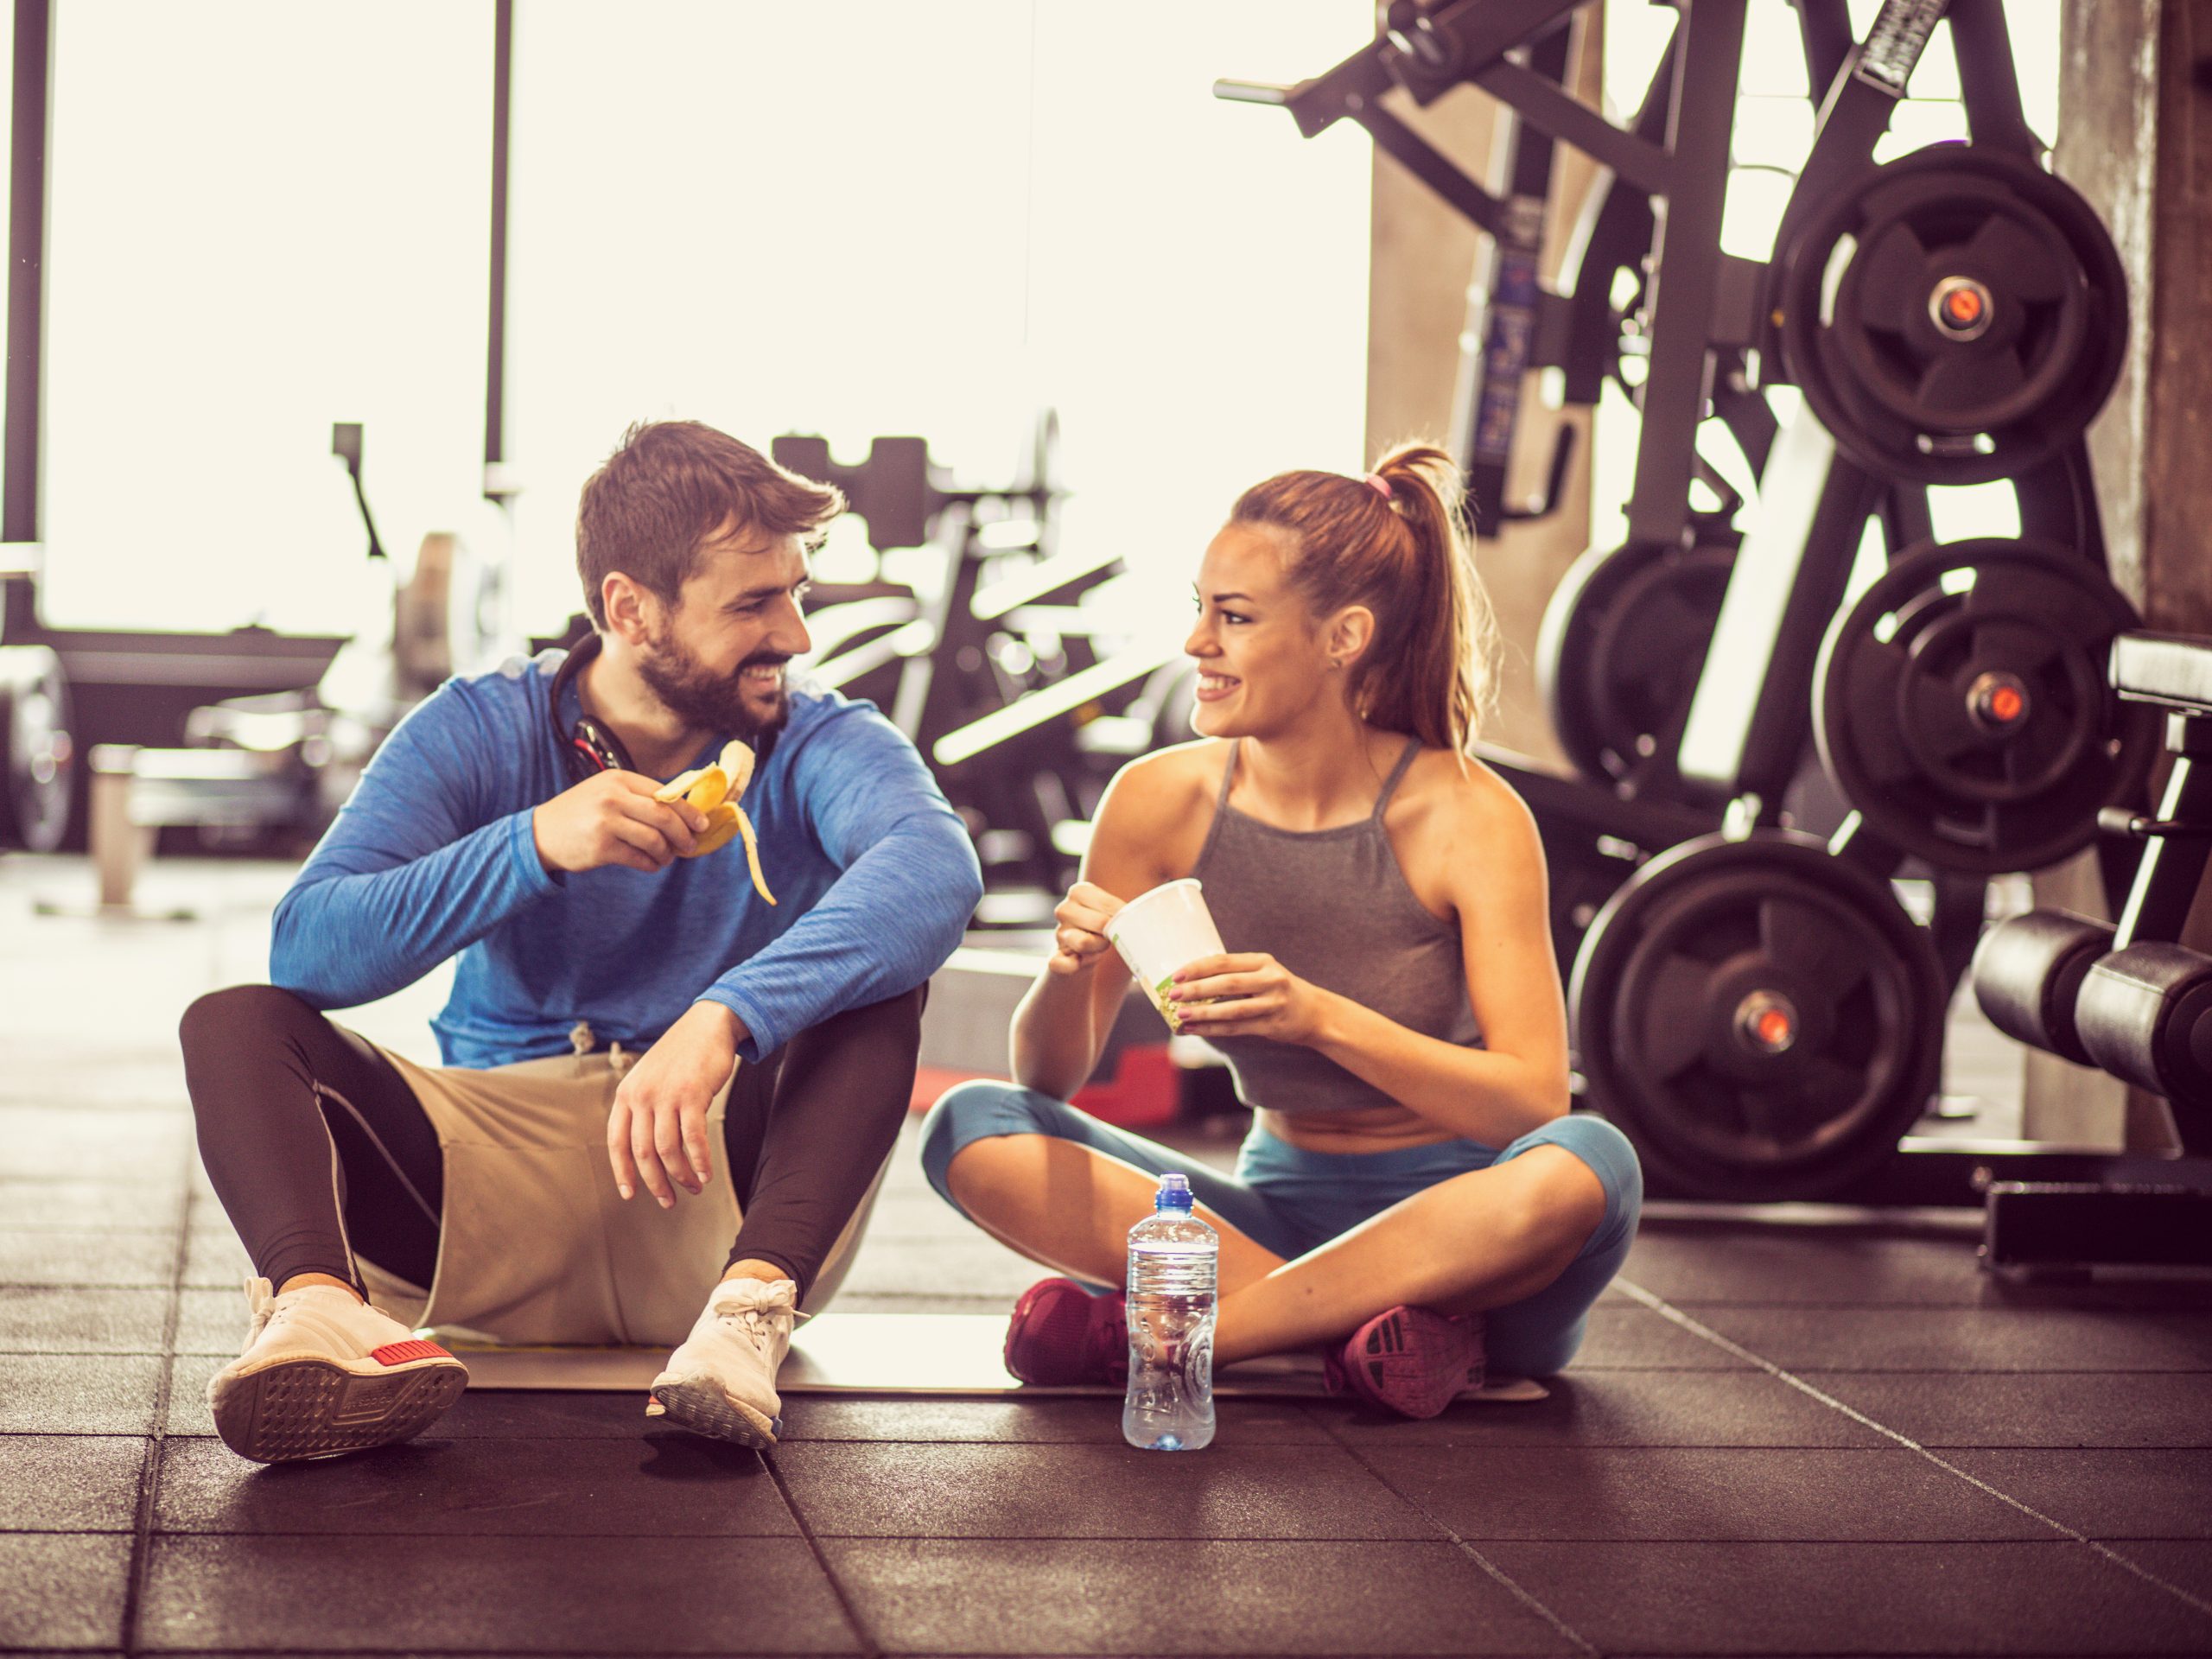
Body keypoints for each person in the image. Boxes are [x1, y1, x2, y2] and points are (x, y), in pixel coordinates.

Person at [180, 420, 983, 1461]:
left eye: (796, 593)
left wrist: (725, 1015)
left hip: (725, 1204)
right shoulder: (480, 727)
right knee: (237, 1022)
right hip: (485, 1196)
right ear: (628, 608)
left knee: (880, 979)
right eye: (752, 603)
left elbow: (936, 867)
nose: (795, 634)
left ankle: (746, 1325)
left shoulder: (819, 737)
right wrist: (533, 844)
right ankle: (321, 1315)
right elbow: (309, 951)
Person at [919, 446, 1642, 1418]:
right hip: (1271, 1221)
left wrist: (1317, 1019)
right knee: (973, 1126)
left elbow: (1530, 1104)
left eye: (1234, 618)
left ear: (1342, 636)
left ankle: (1201, 1339)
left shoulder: (1469, 815)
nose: (1194, 644)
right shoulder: (1154, 802)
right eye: (1200, 608)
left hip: (1469, 1245)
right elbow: (1048, 1081)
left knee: (1591, 1163)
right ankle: (1343, 1339)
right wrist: (1067, 968)